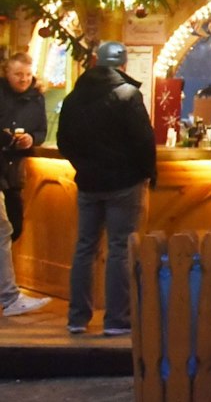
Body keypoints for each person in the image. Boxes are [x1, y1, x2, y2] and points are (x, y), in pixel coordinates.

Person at [57, 41, 154, 335]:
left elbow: (64, 141)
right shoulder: (127, 94)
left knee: (84, 248)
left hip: (87, 183)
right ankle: (116, 320)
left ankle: (77, 318)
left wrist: (82, 166)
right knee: (120, 250)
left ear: (96, 62)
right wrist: (147, 173)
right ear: (123, 65)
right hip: (123, 184)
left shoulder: (74, 97)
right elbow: (143, 141)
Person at [2, 53, 46, 246]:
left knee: (14, 228)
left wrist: (32, 139)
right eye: (18, 74)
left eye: (28, 74)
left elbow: (42, 131)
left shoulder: (37, 98)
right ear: (6, 73)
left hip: (15, 173)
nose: (24, 79)